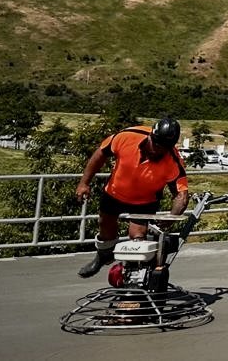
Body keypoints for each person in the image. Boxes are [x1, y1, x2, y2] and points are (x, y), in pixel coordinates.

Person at [74, 117, 190, 278]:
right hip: (114, 192)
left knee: (137, 237)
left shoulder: (173, 160)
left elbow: (181, 195)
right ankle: (103, 256)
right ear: (151, 136)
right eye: (156, 145)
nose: (158, 150)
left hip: (144, 202)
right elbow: (100, 154)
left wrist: (172, 216)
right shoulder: (127, 136)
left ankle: (134, 278)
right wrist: (84, 183)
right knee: (105, 226)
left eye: (164, 148)